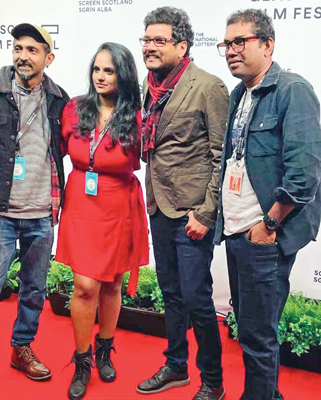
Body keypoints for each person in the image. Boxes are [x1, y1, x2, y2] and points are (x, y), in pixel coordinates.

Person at [0, 24, 69, 400]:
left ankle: (22, 348)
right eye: (18, 48)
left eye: (33, 50)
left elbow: (71, 150)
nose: (23, 55)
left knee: (34, 290)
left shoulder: (58, 99)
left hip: (41, 213)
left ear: (48, 58)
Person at [214, 9, 321, 400]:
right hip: (238, 231)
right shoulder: (240, 93)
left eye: (240, 41)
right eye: (227, 43)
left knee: (259, 339)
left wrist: (269, 226)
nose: (230, 50)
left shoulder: (293, 90)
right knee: (249, 331)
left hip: (265, 236)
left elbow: (304, 173)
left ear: (267, 44)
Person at [136, 7, 228, 400]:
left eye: (159, 41)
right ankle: (176, 365)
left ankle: (213, 381)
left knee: (196, 298)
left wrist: (207, 213)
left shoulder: (209, 86)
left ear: (182, 45)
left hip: (193, 213)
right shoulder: (150, 83)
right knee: (170, 293)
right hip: (158, 206)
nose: (149, 47)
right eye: (146, 40)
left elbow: (221, 156)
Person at [55, 42, 149, 400]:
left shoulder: (136, 116)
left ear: (123, 75)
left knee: (111, 284)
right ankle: (82, 361)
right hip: (81, 204)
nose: (100, 76)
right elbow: (55, 152)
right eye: (96, 69)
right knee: (85, 287)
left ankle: (104, 348)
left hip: (120, 205)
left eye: (109, 70)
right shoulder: (74, 109)